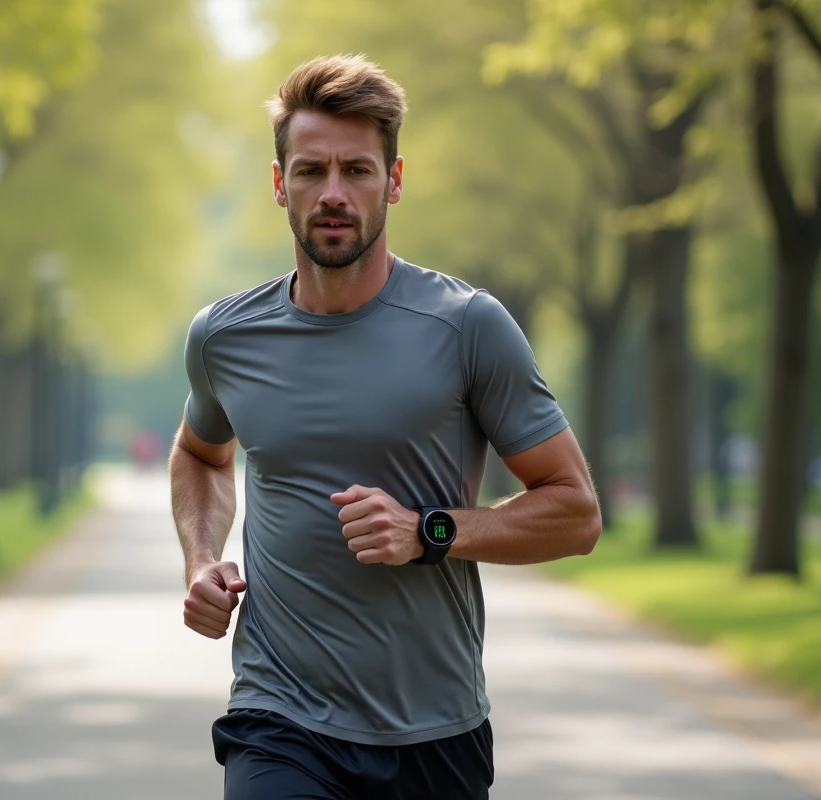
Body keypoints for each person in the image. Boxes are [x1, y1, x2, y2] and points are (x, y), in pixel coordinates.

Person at [168, 54, 602, 800]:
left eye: (357, 170)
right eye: (310, 171)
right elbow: (201, 456)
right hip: (279, 719)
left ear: (394, 181)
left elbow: (575, 512)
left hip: (432, 733)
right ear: (280, 186)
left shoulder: (468, 326)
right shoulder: (224, 337)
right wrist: (201, 559)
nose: (333, 194)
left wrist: (428, 532)